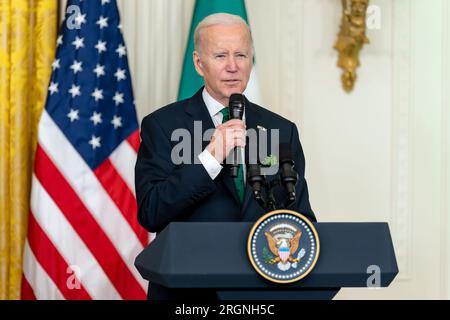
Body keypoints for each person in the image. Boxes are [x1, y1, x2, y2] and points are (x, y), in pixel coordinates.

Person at [135, 13, 316, 300]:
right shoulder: (162, 125)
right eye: (220, 55)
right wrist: (210, 157)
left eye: (241, 55)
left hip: (262, 294)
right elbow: (151, 212)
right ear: (198, 63)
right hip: (188, 293)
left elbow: (301, 218)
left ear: (251, 60)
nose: (233, 66)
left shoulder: (281, 130)